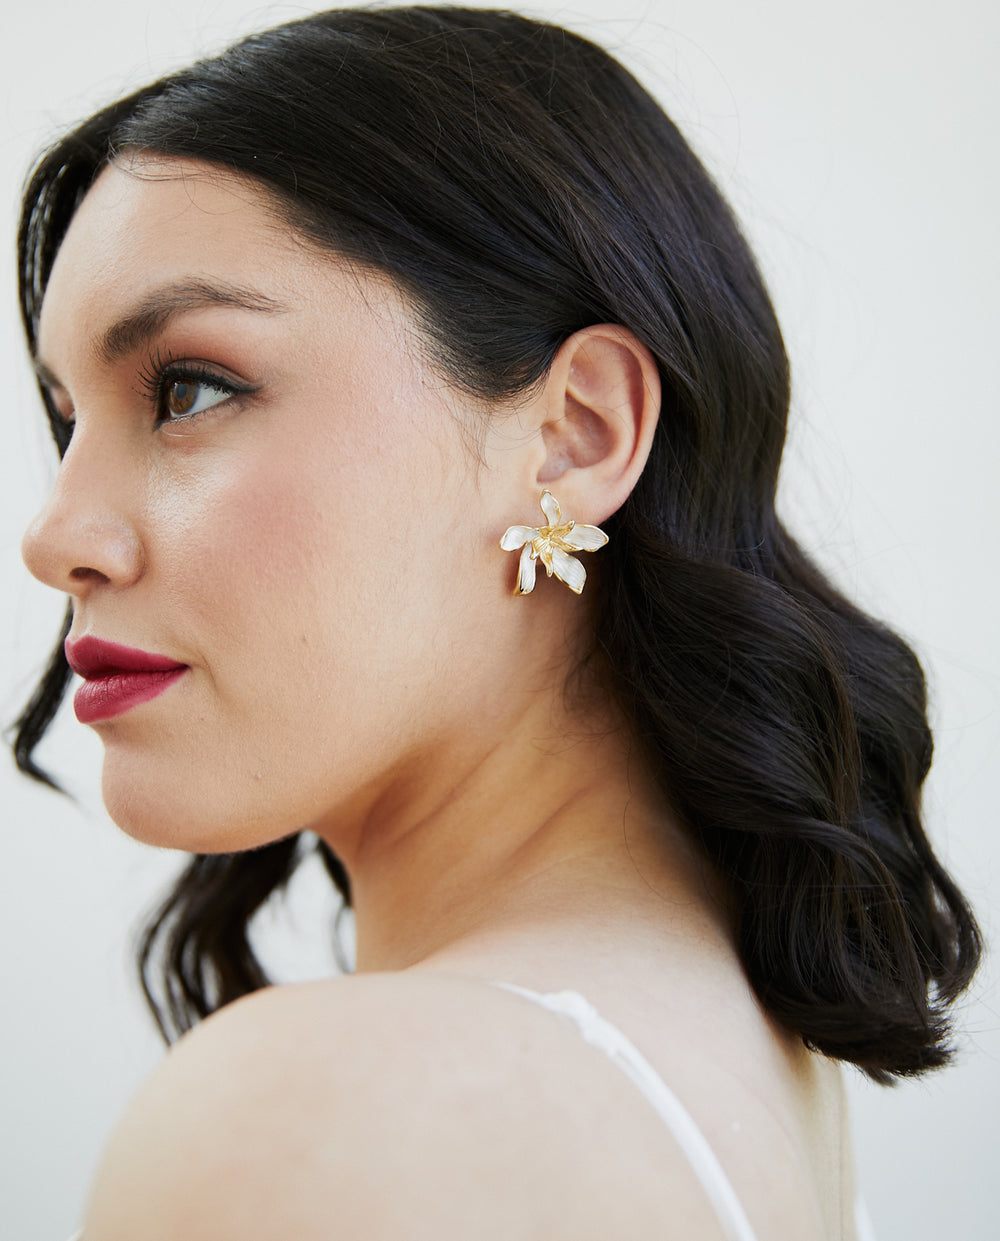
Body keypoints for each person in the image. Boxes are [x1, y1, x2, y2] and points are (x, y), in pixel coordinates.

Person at [13, 7, 980, 1239]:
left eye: (189, 389)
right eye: (67, 419)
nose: (55, 536)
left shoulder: (339, 1122)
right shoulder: (742, 1054)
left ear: (572, 434)